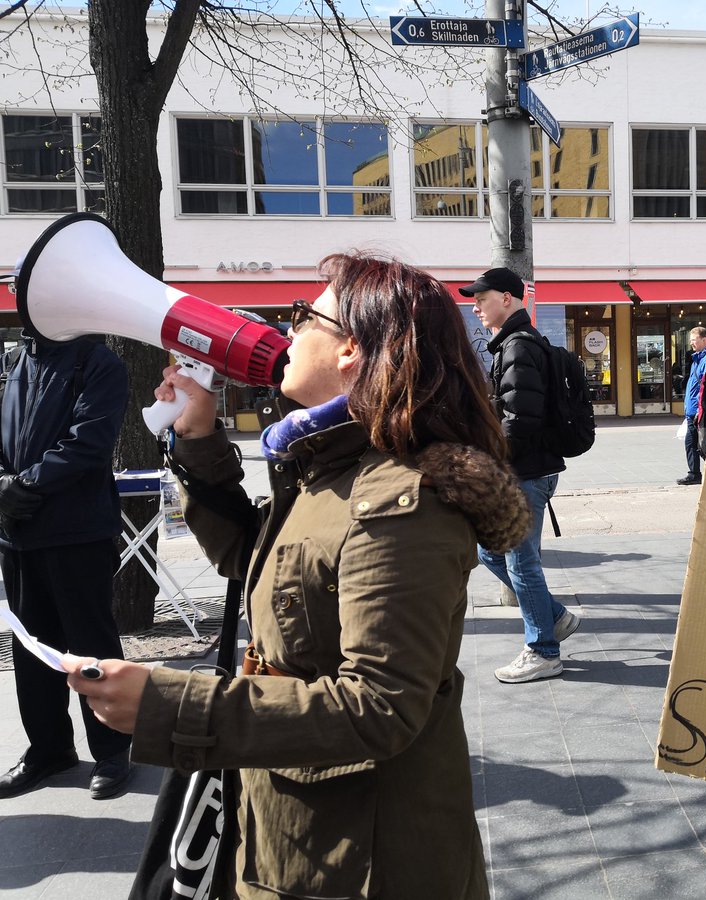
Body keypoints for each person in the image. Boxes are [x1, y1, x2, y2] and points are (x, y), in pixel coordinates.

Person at [65, 254, 531, 898]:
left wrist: (168, 705)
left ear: (352, 351)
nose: (289, 332)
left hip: (363, 857)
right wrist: (198, 436)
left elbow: (380, 705)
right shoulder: (327, 469)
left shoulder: (400, 500)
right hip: (301, 828)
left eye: (304, 316)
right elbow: (255, 566)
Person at [0, 326, 133, 802]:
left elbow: (89, 441)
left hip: (78, 530)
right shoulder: (18, 360)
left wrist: (25, 486)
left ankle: (114, 750)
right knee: (32, 649)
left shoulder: (97, 362)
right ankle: (49, 750)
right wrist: (4, 483)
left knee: (91, 644)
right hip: (18, 534)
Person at [459, 266, 580, 684]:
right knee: (491, 552)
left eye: (482, 298)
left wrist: (486, 460)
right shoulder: (516, 343)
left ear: (507, 299)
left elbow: (519, 421)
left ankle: (543, 651)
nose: (474, 306)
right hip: (532, 469)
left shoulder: (517, 347)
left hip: (525, 472)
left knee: (521, 562)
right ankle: (556, 618)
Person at [677, 326, 706, 485]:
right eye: (691, 340)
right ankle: (695, 473)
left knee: (701, 444)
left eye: (694, 340)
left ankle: (700, 473)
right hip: (693, 410)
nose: (691, 343)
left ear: (704, 340)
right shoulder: (697, 359)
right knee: (693, 443)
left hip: (699, 411)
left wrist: (701, 408)